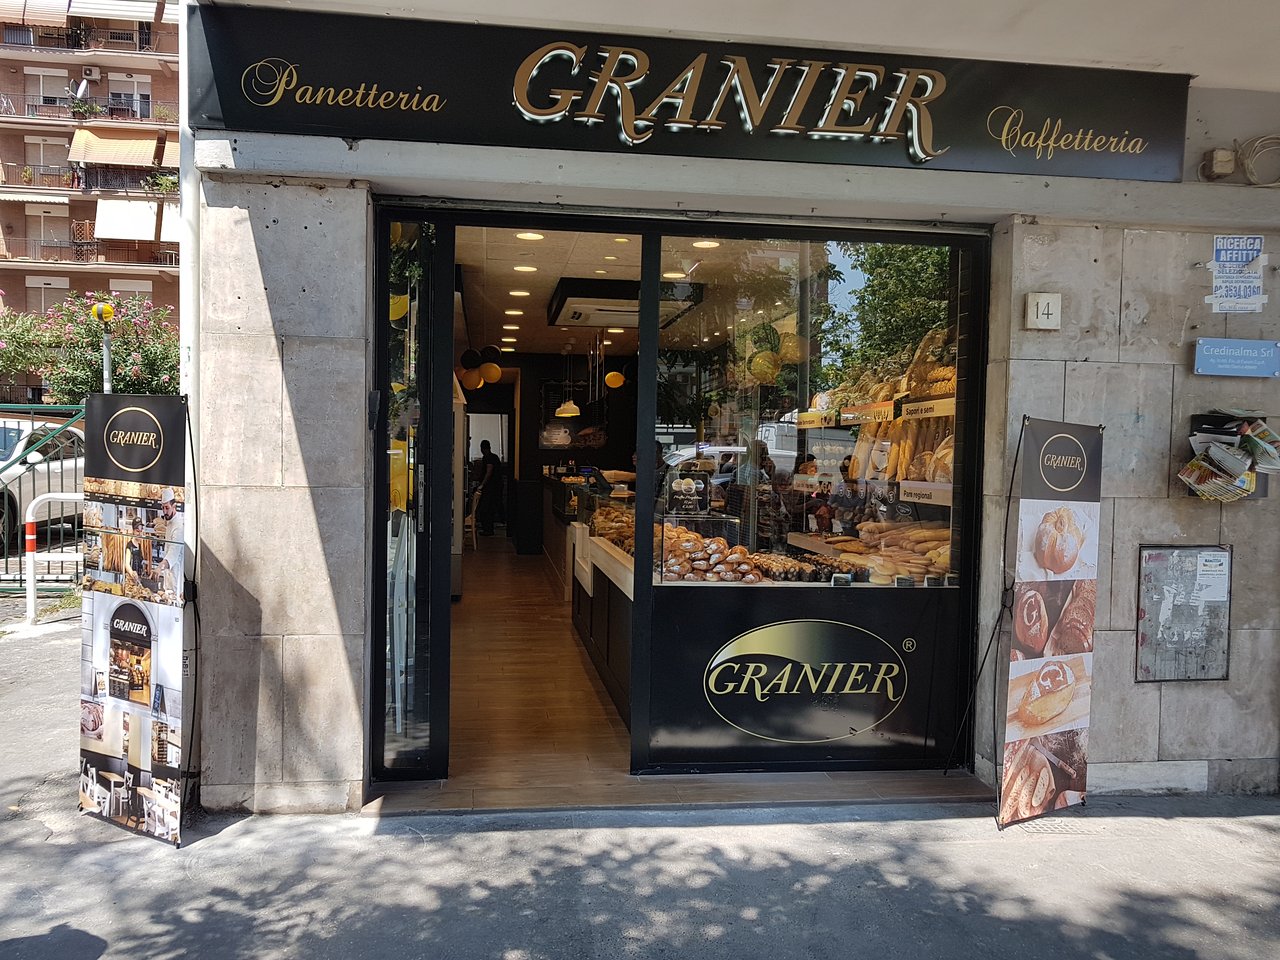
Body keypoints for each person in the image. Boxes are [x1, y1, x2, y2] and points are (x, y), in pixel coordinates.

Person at [155, 488, 184, 595]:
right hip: (168, 580)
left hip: (176, 582)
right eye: (163, 508)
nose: (164, 512)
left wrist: (159, 567)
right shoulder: (169, 523)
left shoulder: (179, 527)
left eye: (167, 508)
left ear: (174, 506)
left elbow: (172, 554)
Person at [476, 439, 502, 536]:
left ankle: (487, 530)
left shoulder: (488, 458)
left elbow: (488, 472)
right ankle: (488, 529)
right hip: (496, 487)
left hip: (489, 487)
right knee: (490, 508)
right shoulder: (494, 457)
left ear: (482, 449)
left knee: (485, 509)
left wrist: (482, 484)